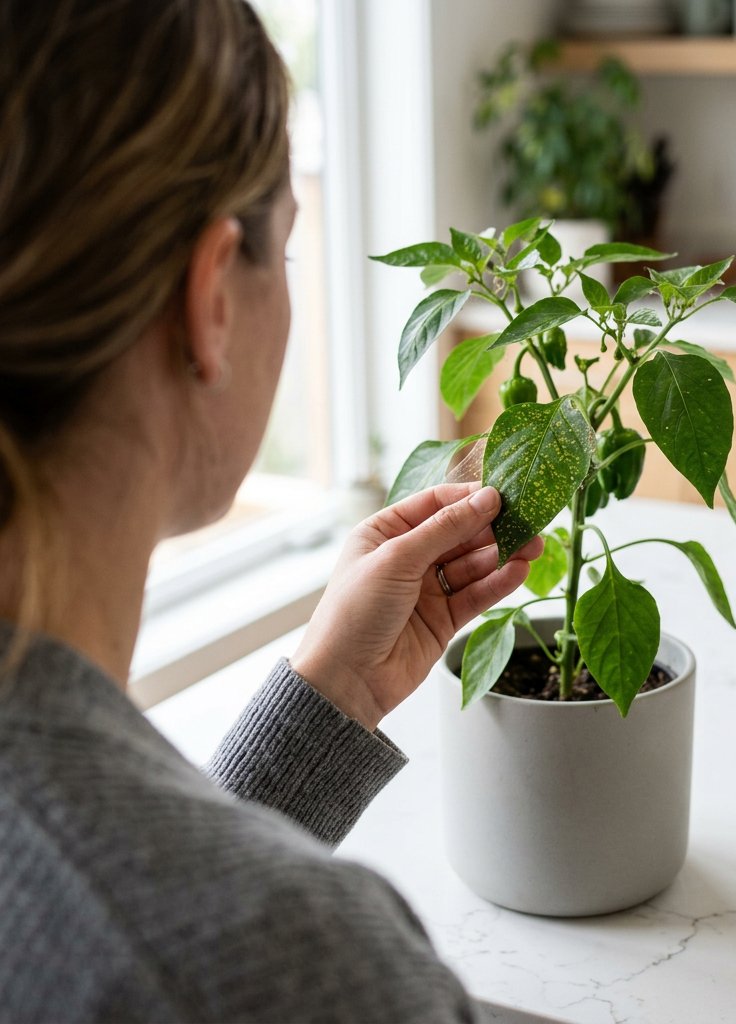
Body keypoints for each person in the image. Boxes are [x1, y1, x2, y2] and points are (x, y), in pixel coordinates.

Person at [0, 2, 541, 1021]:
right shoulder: (295, 962)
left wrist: (327, 697)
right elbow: (178, 940)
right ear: (211, 298)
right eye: (285, 252)